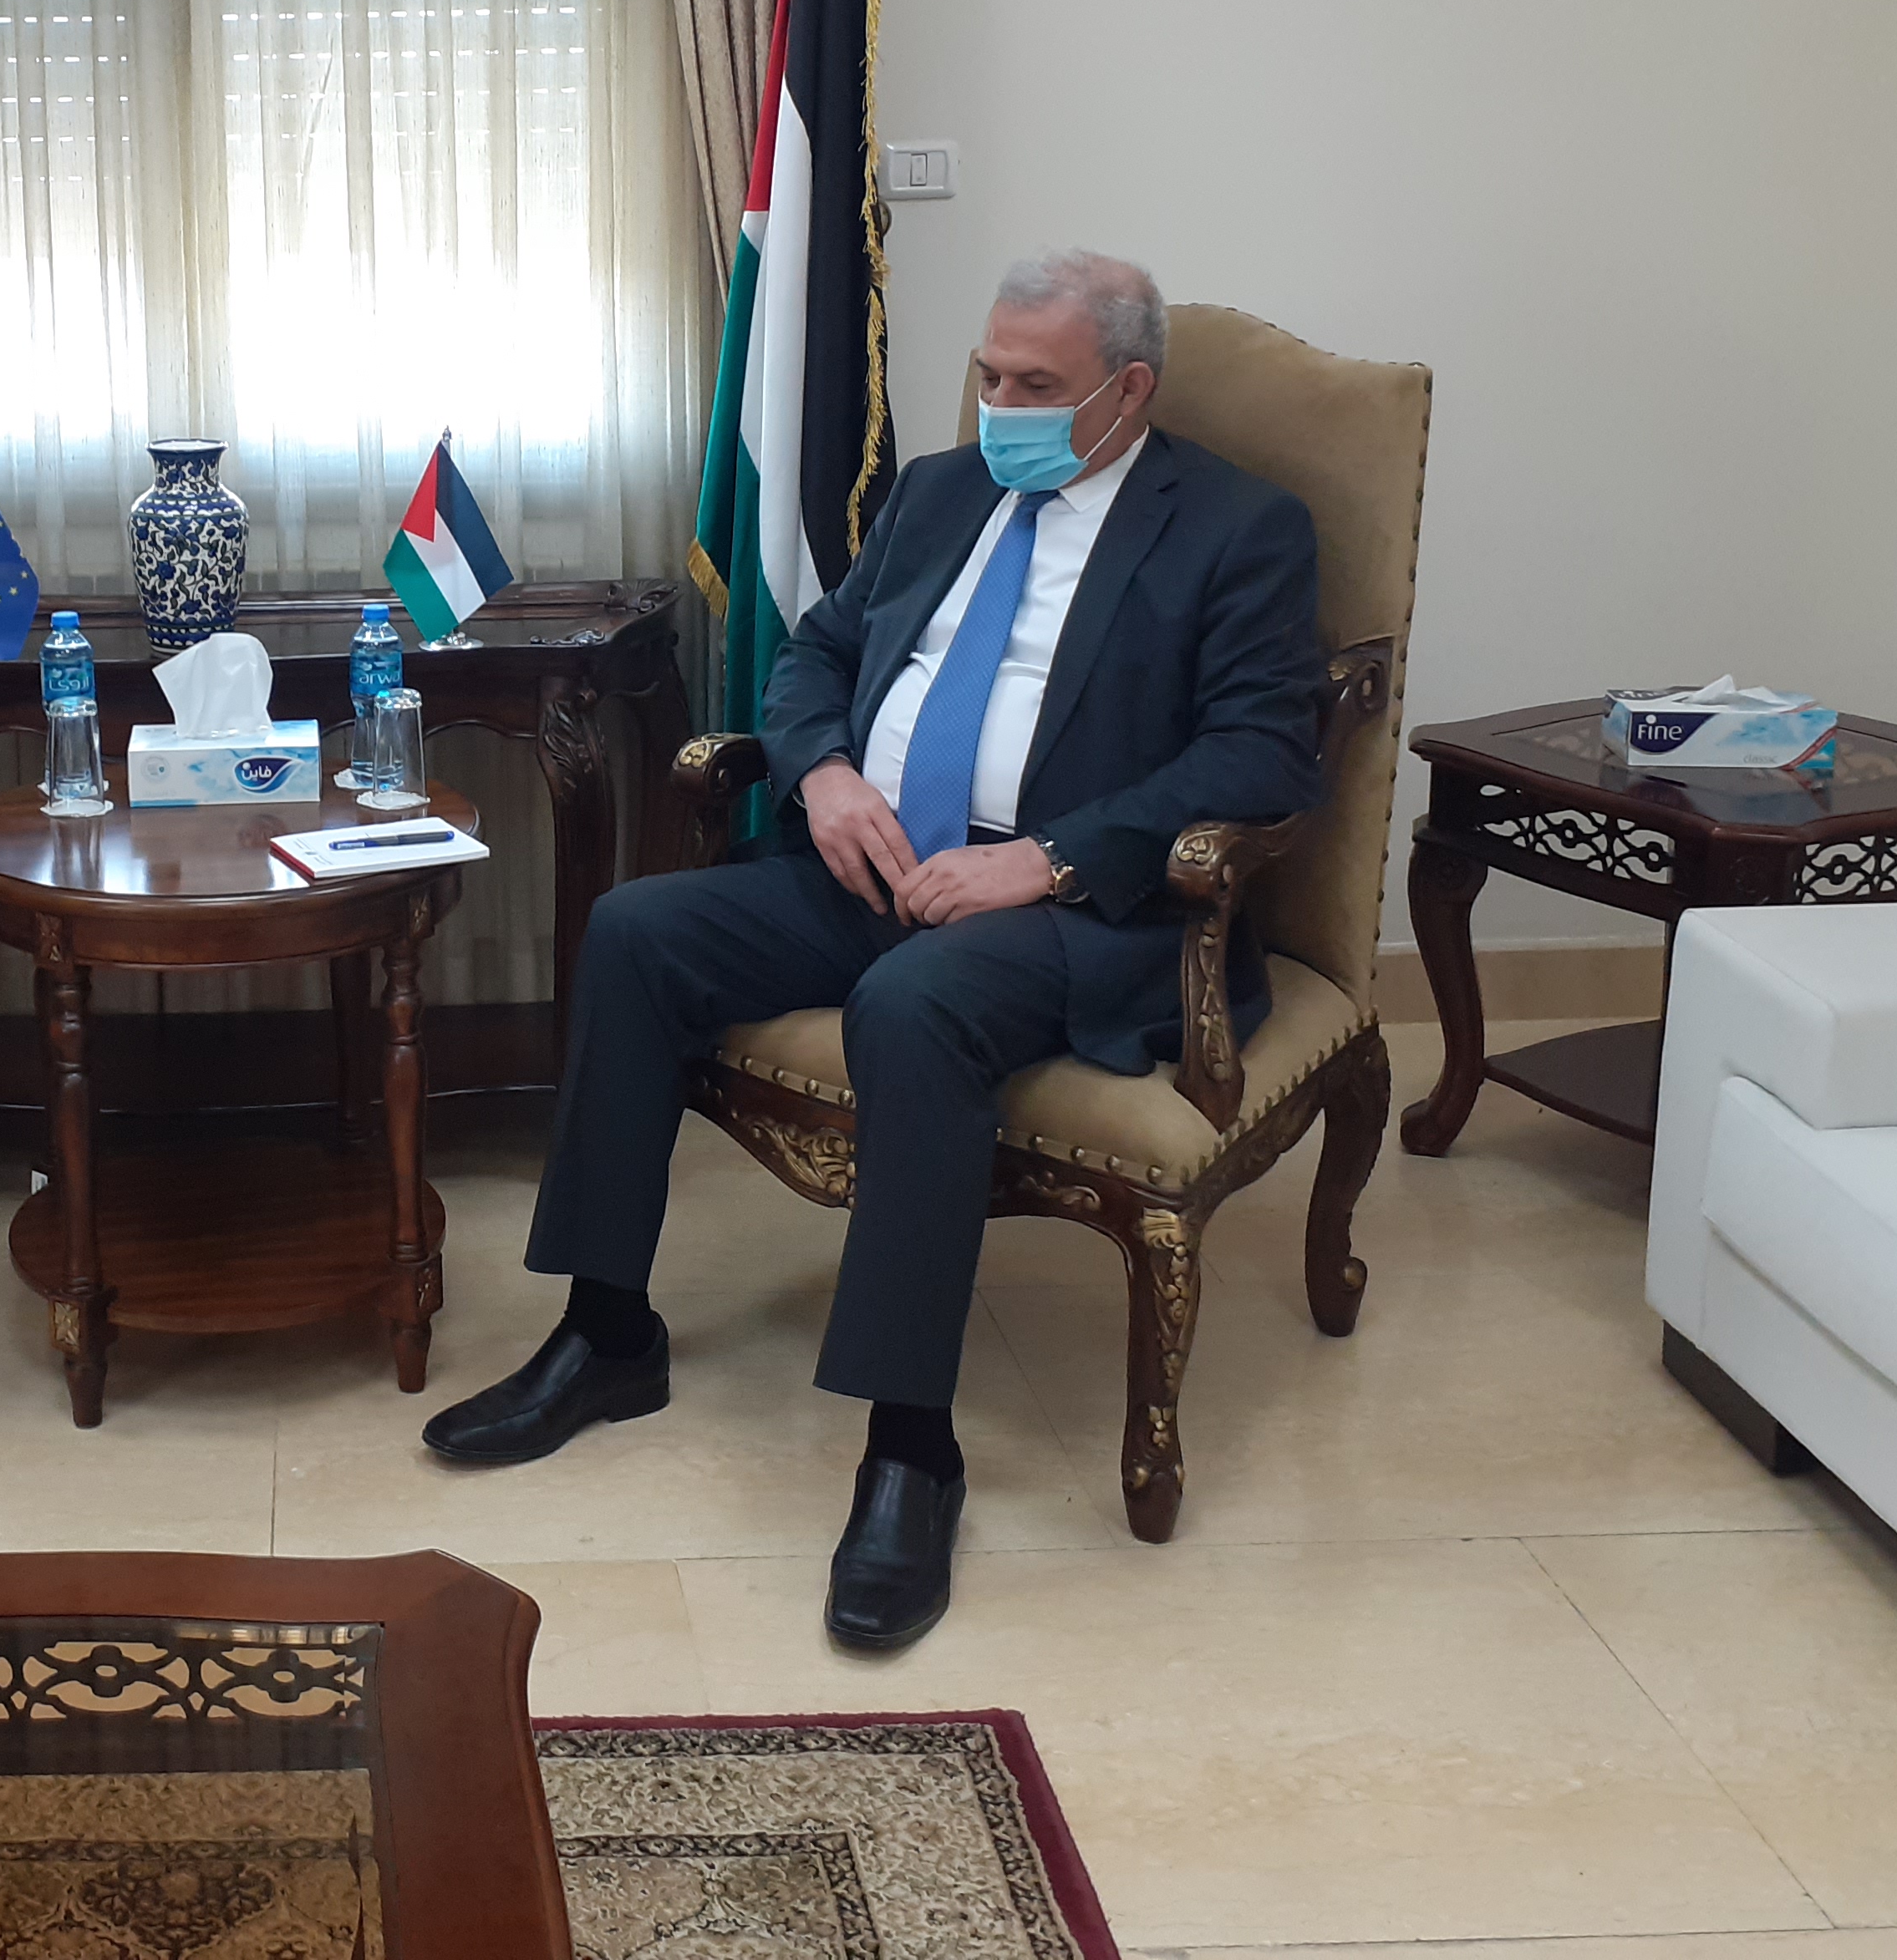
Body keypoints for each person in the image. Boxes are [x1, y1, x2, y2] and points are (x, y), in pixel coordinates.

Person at [424, 251, 1324, 1647]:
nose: (1001, 405)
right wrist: (827, 775)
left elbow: (1260, 751)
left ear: (1128, 389)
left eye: (1037, 385)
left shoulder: (1236, 527)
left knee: (913, 1007)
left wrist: (1047, 857)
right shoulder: (940, 493)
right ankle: (608, 1333)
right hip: (875, 863)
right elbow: (817, 659)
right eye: (989, 374)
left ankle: (912, 1452)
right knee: (637, 932)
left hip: (1072, 909)